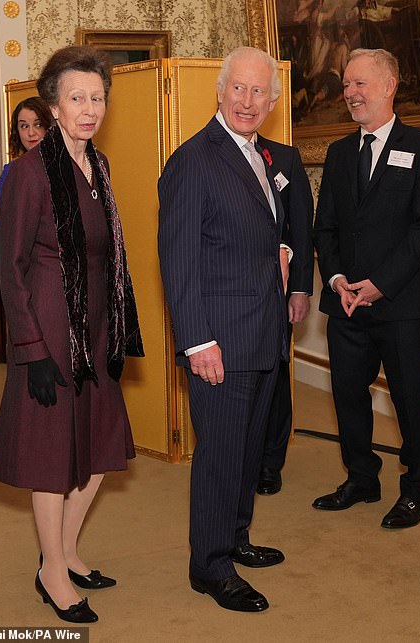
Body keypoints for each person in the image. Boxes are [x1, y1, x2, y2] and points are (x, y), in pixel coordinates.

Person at [0, 46, 144, 623]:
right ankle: (52, 570)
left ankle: (69, 551)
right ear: (53, 106)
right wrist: (31, 350)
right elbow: (13, 267)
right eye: (76, 97)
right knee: (53, 457)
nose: (89, 108)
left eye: (97, 97)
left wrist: (119, 328)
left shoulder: (96, 166)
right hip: (48, 329)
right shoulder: (27, 172)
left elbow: (110, 254)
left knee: (98, 448)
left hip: (96, 328)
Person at [158, 46, 289, 613]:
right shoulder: (195, 159)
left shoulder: (258, 156)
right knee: (218, 455)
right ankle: (209, 565)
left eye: (260, 92)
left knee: (245, 450)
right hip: (218, 341)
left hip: (261, 336)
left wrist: (279, 249)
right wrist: (196, 340)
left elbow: (247, 234)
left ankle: (234, 537)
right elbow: (178, 259)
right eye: (239, 88)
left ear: (273, 102)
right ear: (219, 91)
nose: (248, 100)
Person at [312, 48, 420, 528]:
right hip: (346, 302)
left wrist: (381, 285)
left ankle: (416, 486)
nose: (349, 93)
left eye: (359, 83)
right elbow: (324, 227)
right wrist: (336, 279)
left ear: (389, 86)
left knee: (410, 397)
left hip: (403, 301)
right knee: (347, 395)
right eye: (347, 84)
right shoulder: (339, 152)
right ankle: (361, 479)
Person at [256, 133, 314, 496]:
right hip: (227, 294)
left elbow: (301, 228)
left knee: (275, 374)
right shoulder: (205, 154)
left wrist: (300, 289)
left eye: (258, 92)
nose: (248, 103)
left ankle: (269, 462)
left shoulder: (285, 158)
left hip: (279, 292)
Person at [0, 96, 54, 224]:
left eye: (38, 125)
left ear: (50, 127)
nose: (31, 133)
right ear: (17, 131)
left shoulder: (67, 164)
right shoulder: (12, 169)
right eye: (24, 126)